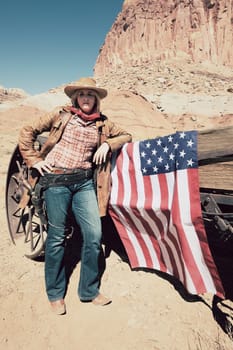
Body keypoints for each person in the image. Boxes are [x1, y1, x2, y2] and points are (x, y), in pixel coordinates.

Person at [18, 77, 132, 315]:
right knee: (57, 236)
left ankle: (89, 291)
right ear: (75, 98)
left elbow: (127, 135)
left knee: (93, 234)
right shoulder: (61, 115)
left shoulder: (103, 123)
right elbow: (28, 130)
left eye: (91, 95)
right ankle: (55, 293)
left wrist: (108, 145)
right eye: (82, 94)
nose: (86, 98)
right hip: (56, 181)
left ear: (96, 99)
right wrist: (34, 159)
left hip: (83, 183)